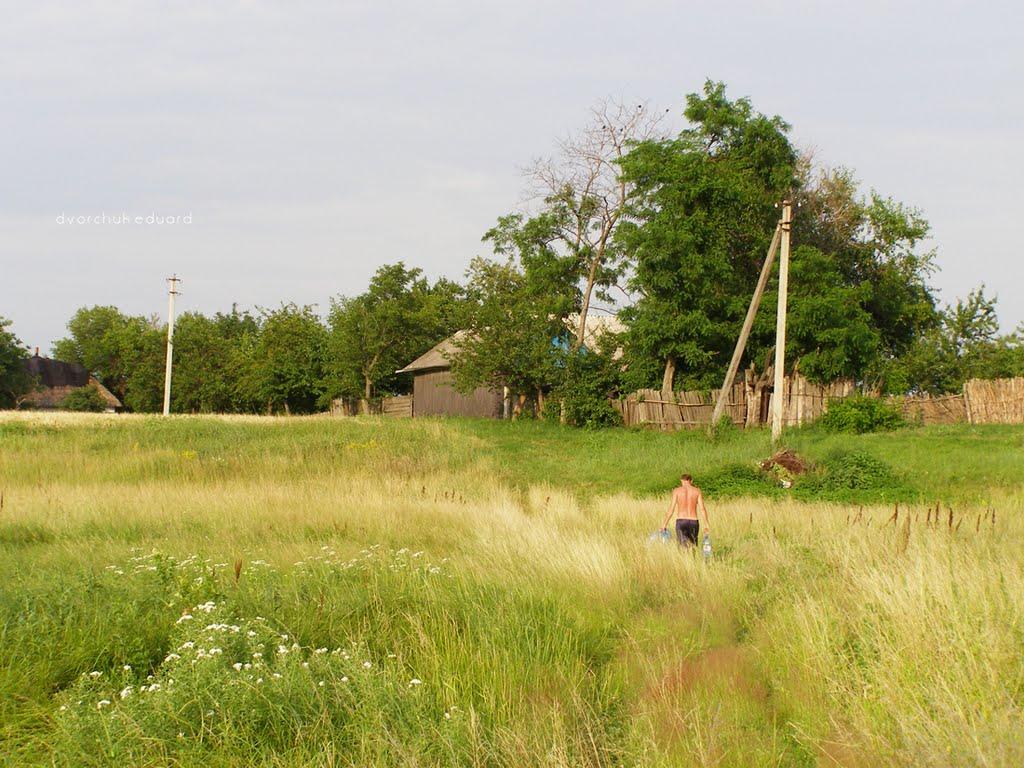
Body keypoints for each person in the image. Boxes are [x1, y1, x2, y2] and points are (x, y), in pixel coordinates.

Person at [661, 474, 710, 547]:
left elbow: (671, 509)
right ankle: (693, 558)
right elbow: (702, 509)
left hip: (681, 521)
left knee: (682, 546)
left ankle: (684, 558)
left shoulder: (677, 491)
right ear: (691, 481)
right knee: (693, 545)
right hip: (694, 521)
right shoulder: (697, 491)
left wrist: (664, 524)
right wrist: (707, 525)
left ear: (681, 480)